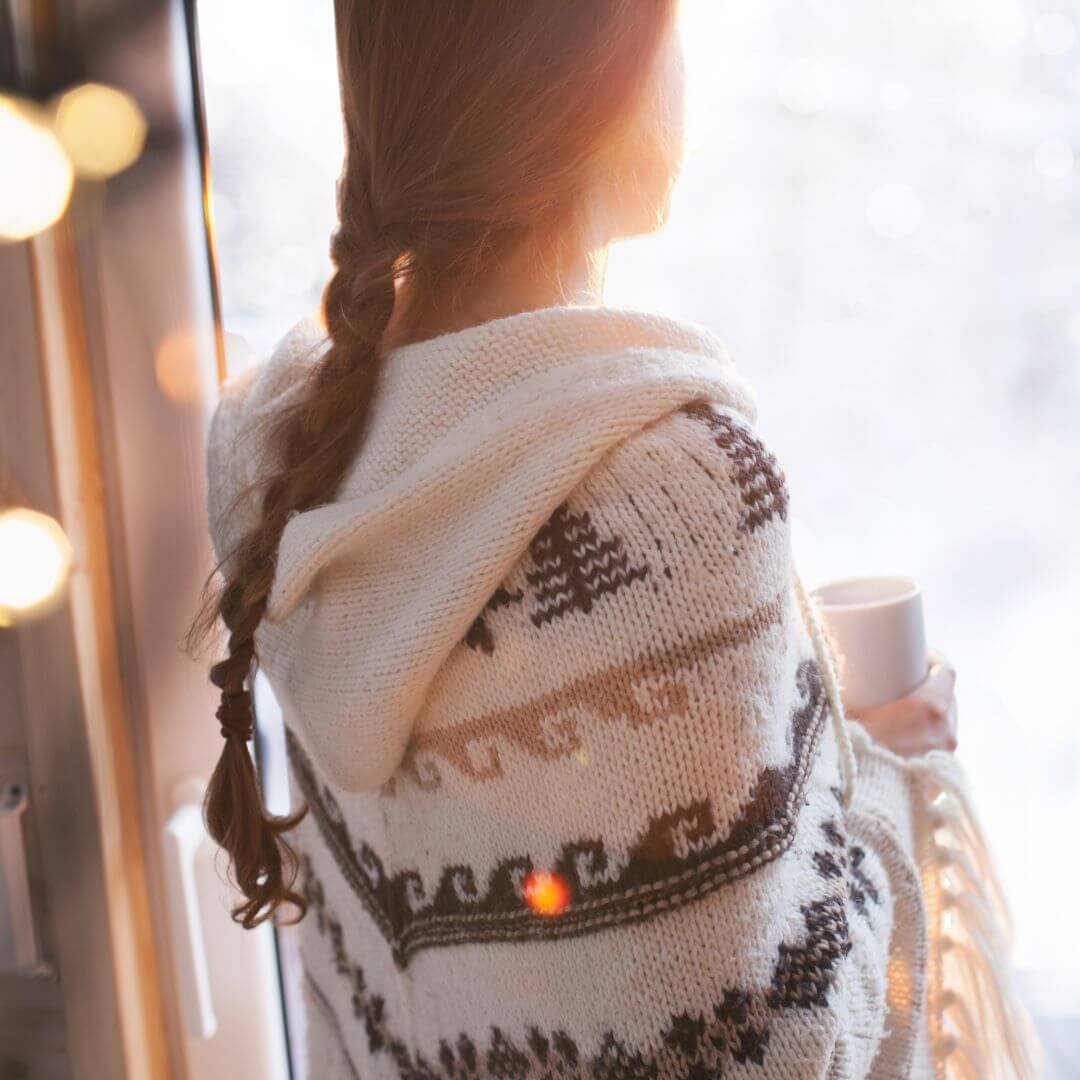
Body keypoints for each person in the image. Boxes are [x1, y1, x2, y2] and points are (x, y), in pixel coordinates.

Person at [191, 3, 1027, 1077]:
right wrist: (891, 778)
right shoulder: (669, 504)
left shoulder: (288, 447)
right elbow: (777, 1048)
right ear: (590, 82)